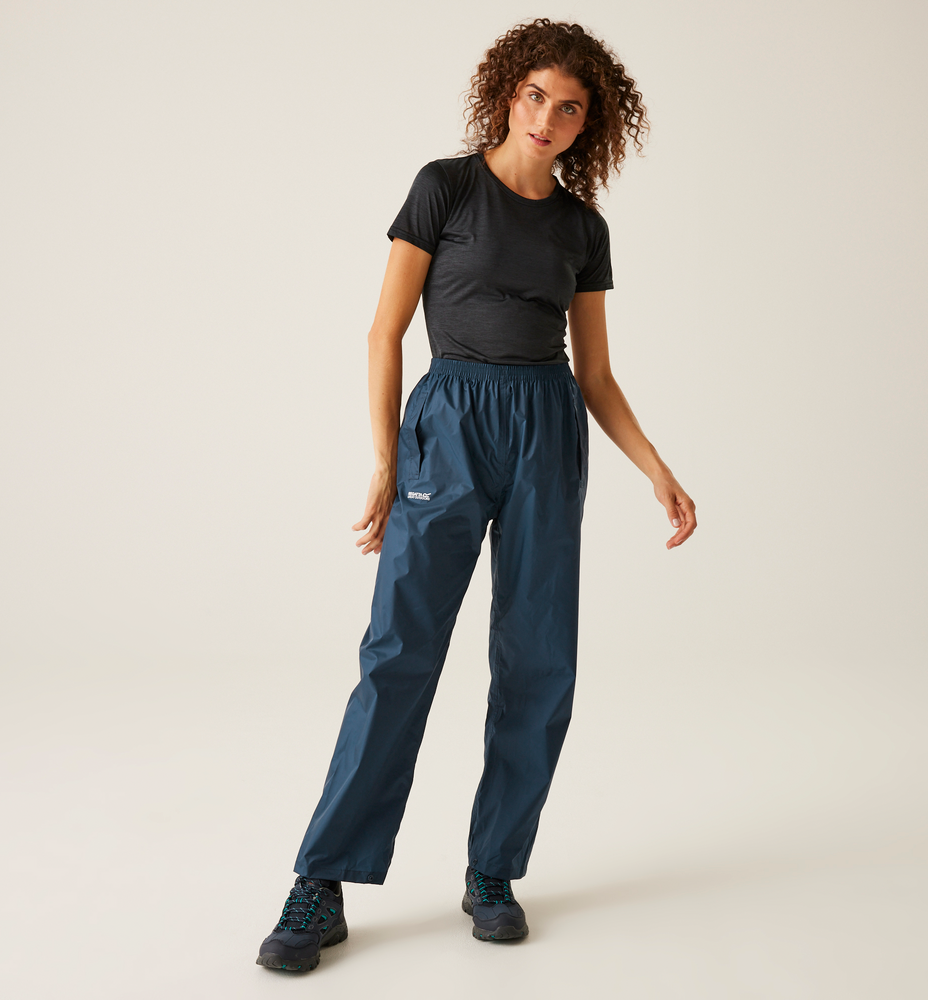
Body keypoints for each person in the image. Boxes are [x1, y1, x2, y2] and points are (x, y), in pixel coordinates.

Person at [256, 18, 697, 973]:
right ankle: (321, 881)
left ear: (589, 127)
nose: (549, 117)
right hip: (449, 420)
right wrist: (385, 460)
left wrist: (656, 466)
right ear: (507, 93)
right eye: (536, 95)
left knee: (539, 659)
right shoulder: (444, 188)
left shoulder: (583, 229)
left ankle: (494, 870)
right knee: (399, 651)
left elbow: (597, 374)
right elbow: (385, 332)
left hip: (546, 429)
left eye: (570, 108)